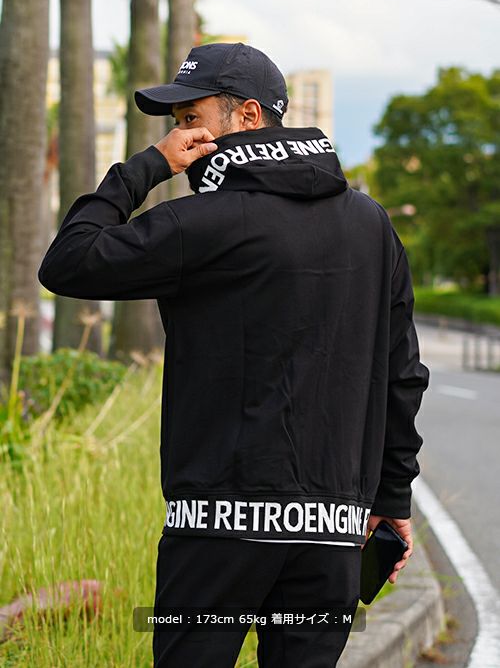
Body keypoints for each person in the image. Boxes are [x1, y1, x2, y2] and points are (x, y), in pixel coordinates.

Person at [38, 42, 430, 667]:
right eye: (175, 126)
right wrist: (391, 500)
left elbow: (68, 261)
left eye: (190, 118)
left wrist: (146, 168)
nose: (178, 137)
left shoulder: (201, 222)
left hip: (215, 529)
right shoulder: (372, 224)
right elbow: (402, 374)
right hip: (329, 534)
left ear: (248, 115)